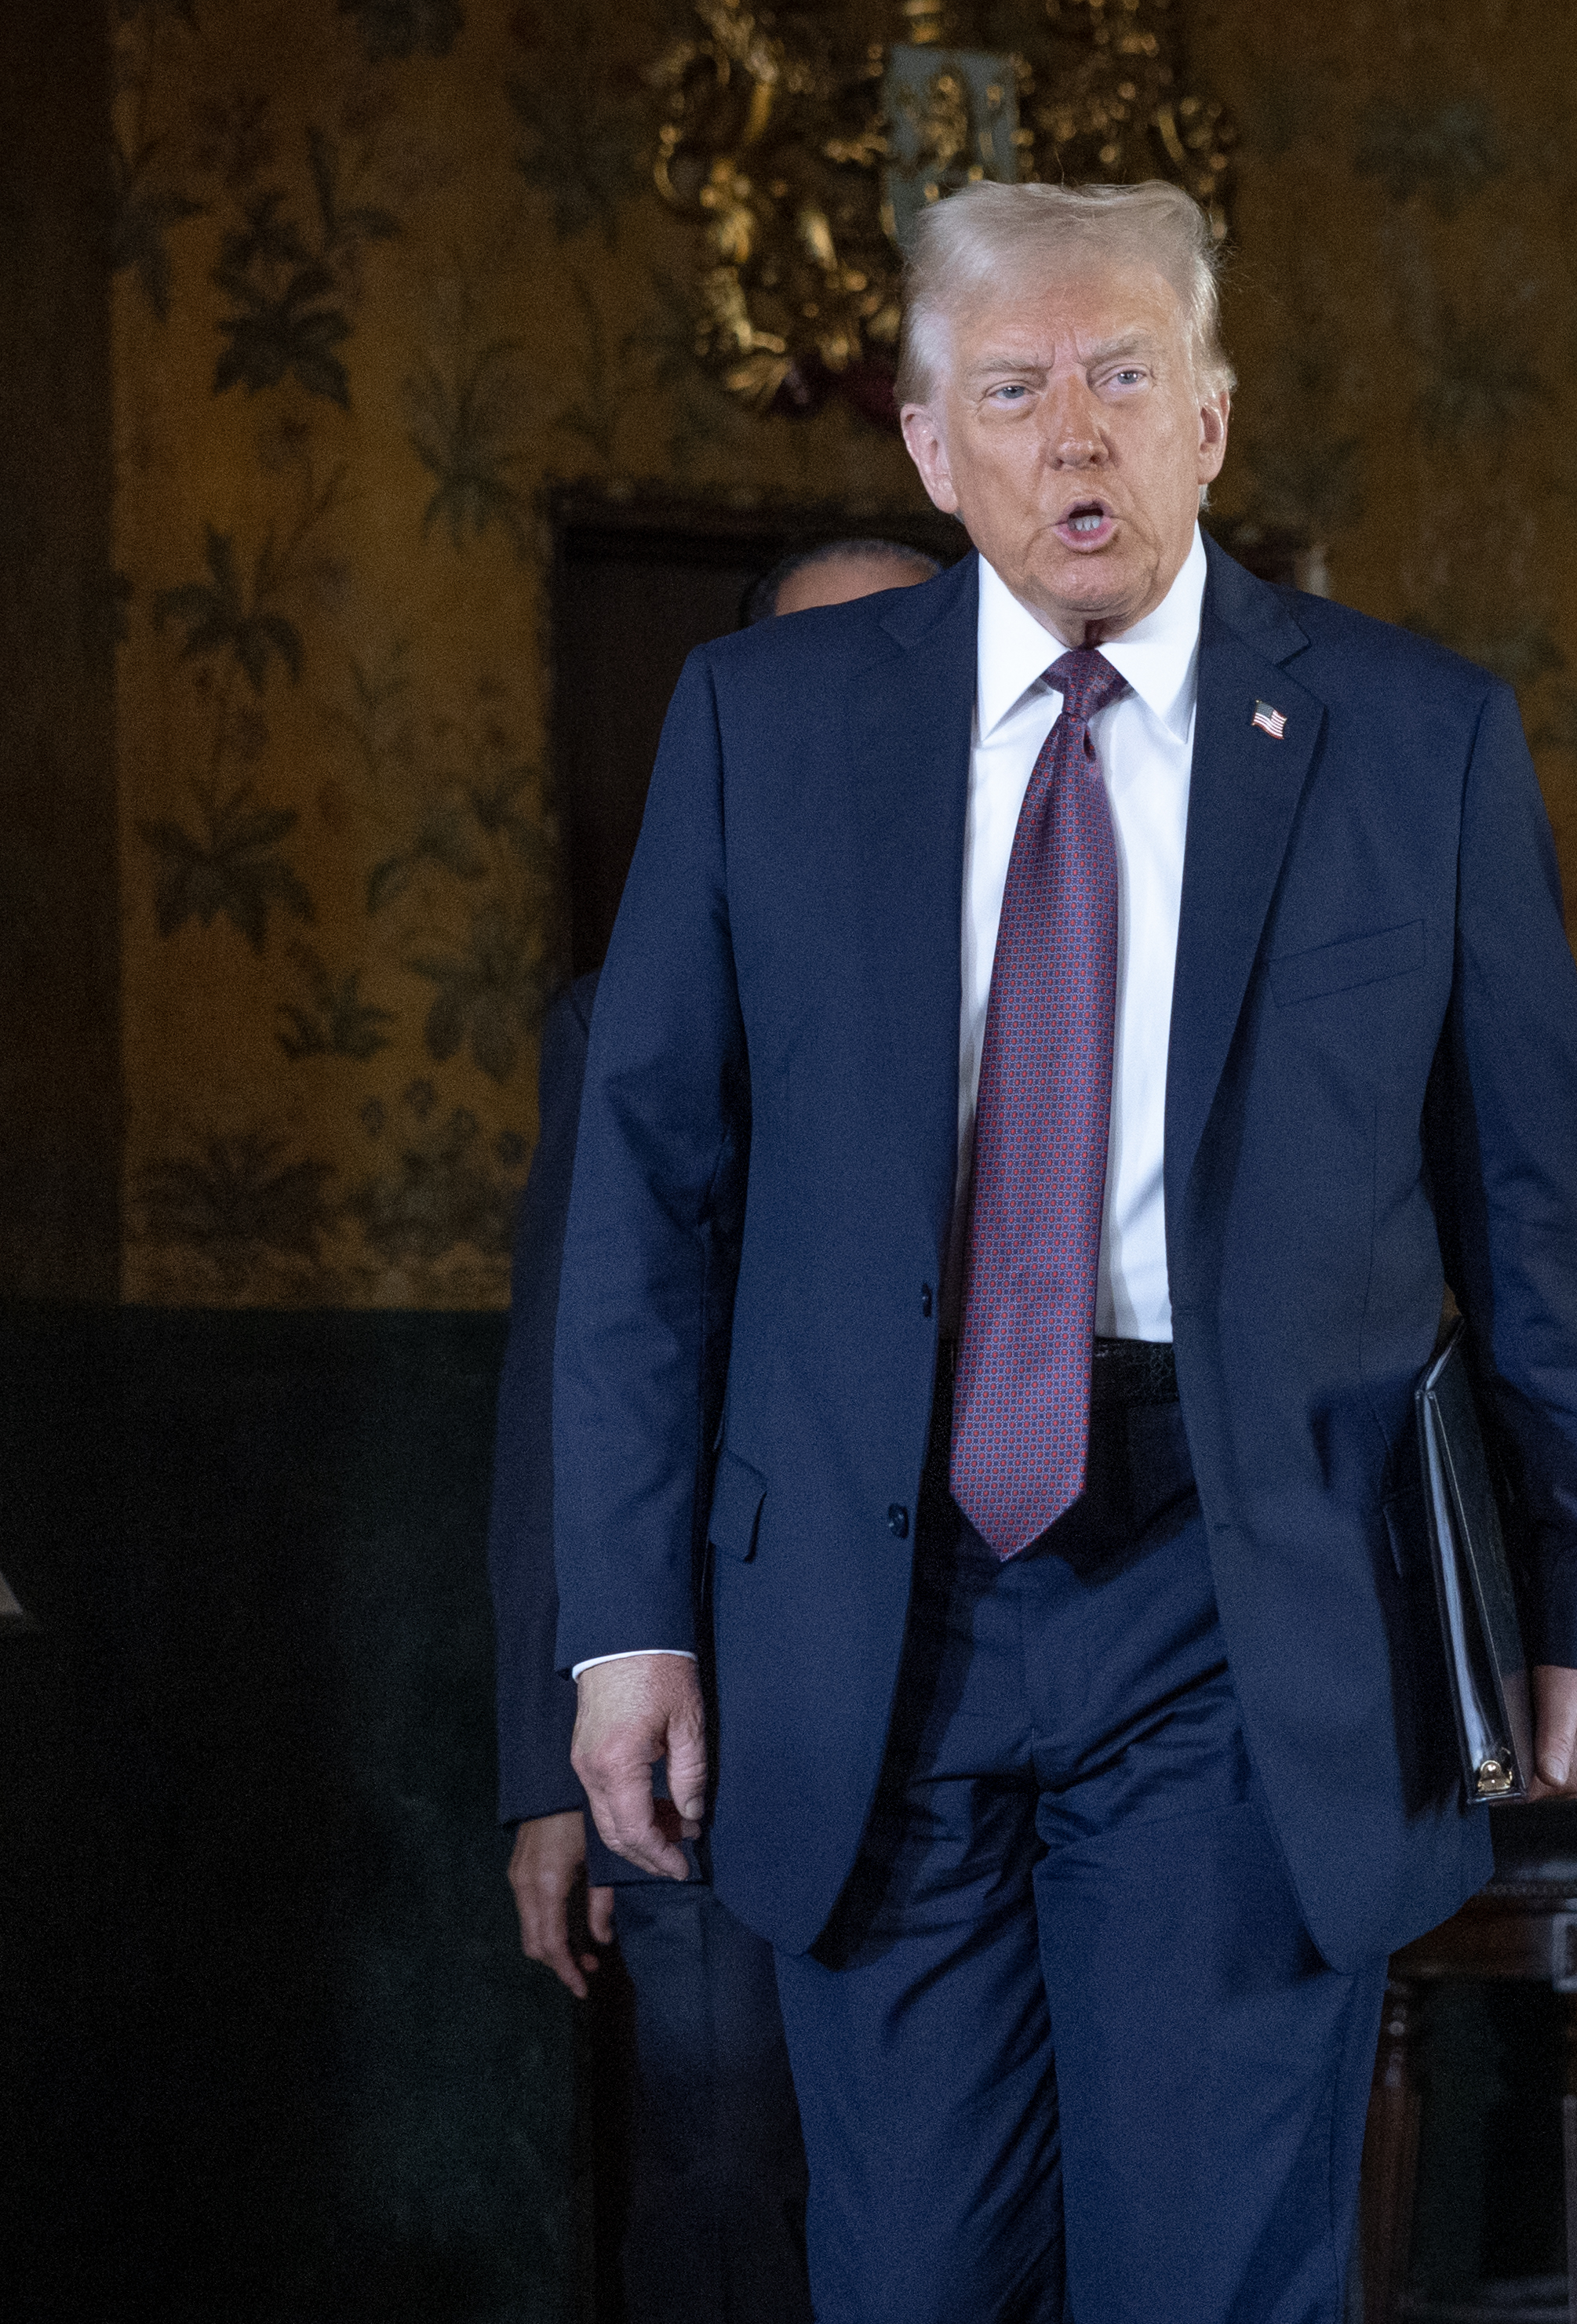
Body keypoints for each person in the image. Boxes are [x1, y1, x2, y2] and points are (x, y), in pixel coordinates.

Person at [555, 180, 1577, 2322]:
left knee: (1210, 2274)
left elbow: (1540, 1188)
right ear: (927, 441)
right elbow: (646, 1191)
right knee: (916, 2277)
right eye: (1021, 390)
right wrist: (622, 1622)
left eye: (1126, 378)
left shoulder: (1411, 735)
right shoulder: (760, 729)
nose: (1079, 435)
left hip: (1238, 1595)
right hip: (874, 1606)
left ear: (1214, 419)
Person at [493, 536, 941, 2324]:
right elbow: (565, 1378)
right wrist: (547, 1764)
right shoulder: (625, 1018)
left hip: (983, 1702)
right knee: (721, 2172)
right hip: (696, 1727)